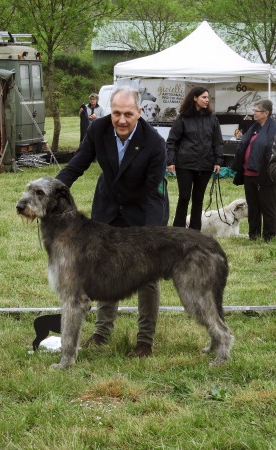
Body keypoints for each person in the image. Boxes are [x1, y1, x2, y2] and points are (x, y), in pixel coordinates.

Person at [56, 86, 169, 357]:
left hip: (143, 211)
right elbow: (78, 164)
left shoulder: (154, 142)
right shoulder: (98, 130)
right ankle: (102, 333)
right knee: (105, 270)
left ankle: (145, 342)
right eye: (116, 113)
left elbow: (155, 192)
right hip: (108, 208)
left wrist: (150, 235)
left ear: (139, 113)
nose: (121, 120)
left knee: (147, 276)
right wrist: (52, 189)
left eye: (128, 114)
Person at [166, 87, 223, 230]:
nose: (207, 100)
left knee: (198, 199)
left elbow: (217, 141)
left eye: (208, 98)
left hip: (205, 164)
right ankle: (178, 230)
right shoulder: (183, 118)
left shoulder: (212, 118)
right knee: (184, 197)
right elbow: (172, 141)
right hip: (185, 164)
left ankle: (195, 231)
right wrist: (170, 160)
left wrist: (218, 160)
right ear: (195, 98)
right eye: (204, 97)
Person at [232, 99, 276, 242]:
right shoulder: (254, 127)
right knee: (253, 206)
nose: (253, 113)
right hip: (248, 174)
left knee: (267, 207)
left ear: (266, 113)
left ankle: (269, 236)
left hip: (265, 175)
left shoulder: (273, 129)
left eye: (256, 111)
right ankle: (254, 235)